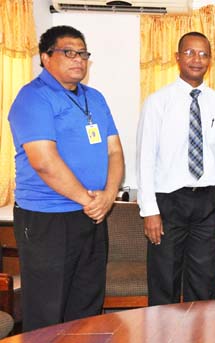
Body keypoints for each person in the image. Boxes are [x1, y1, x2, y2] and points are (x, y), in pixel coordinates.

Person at [8, 25, 125, 330]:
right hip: (48, 219)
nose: (78, 59)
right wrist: (91, 200)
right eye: (68, 52)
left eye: (83, 53)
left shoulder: (94, 98)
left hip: (92, 215)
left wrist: (109, 194)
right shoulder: (33, 97)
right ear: (45, 57)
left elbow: (114, 151)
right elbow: (44, 161)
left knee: (87, 304)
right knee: (48, 308)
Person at [137, 32, 215, 305]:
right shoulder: (157, 102)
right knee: (164, 279)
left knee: (203, 281)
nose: (196, 59)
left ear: (210, 60)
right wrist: (149, 211)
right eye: (189, 52)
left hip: (208, 201)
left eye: (203, 54)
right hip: (169, 202)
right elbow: (144, 157)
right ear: (177, 58)